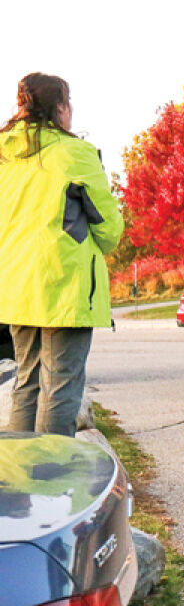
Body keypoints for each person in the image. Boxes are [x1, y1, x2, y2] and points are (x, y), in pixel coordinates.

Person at [0, 73, 123, 436]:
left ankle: (21, 479)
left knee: (27, 379)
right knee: (61, 384)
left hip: (16, 285)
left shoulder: (4, 154)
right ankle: (51, 480)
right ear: (60, 107)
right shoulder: (75, 154)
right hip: (63, 285)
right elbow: (109, 228)